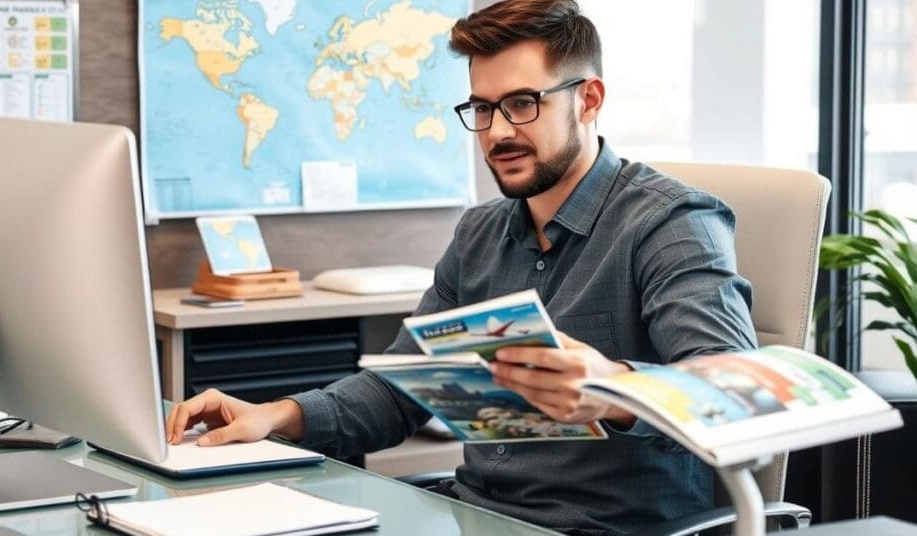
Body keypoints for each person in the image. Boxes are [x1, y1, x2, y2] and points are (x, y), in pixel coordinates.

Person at [166, 0, 758, 533]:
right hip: (475, 517)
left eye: (523, 104)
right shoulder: (481, 232)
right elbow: (403, 387)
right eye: (482, 107)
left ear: (589, 99)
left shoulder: (671, 221)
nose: (497, 131)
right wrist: (277, 415)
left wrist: (614, 392)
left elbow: (732, 388)